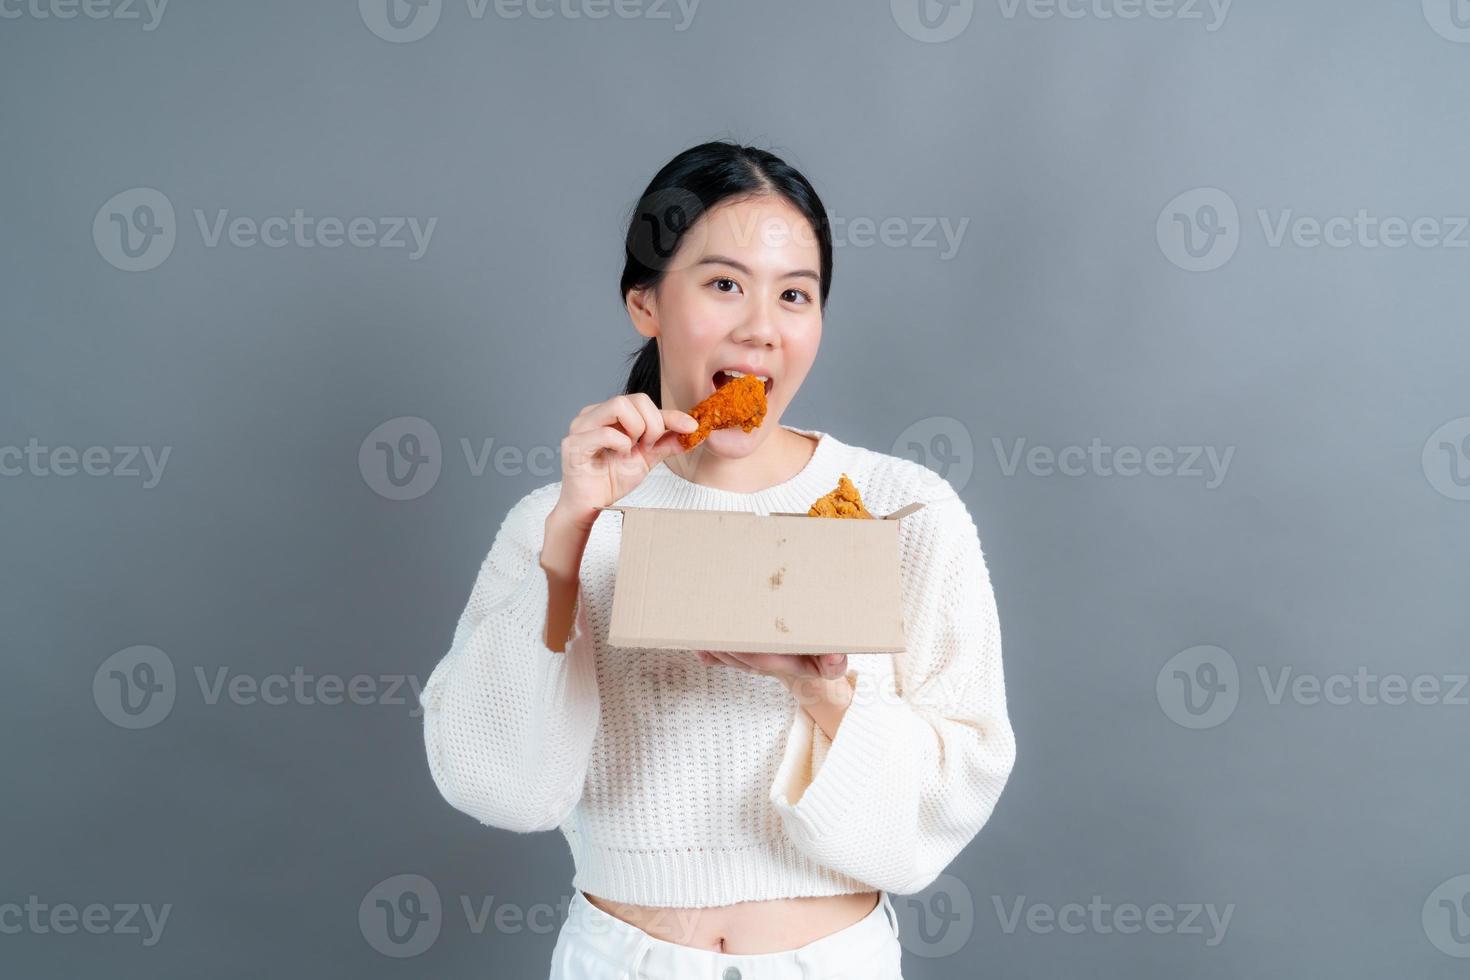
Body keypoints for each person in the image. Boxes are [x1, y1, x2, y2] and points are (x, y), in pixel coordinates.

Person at [420, 140, 1016, 980]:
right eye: (724, 284)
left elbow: (950, 800)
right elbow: (498, 786)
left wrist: (820, 687)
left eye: (795, 296)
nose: (761, 329)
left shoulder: (904, 512)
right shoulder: (560, 523)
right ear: (646, 303)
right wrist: (568, 542)